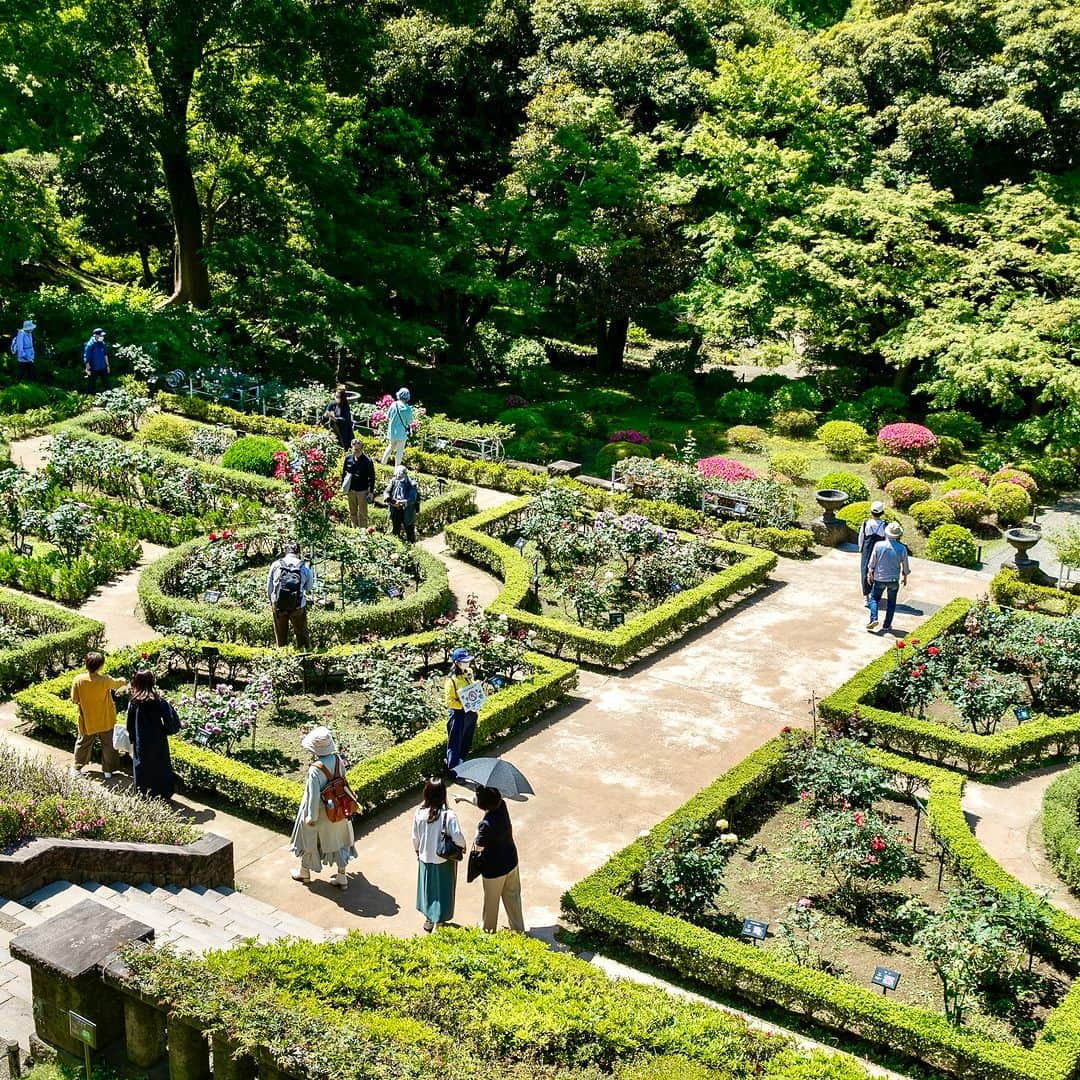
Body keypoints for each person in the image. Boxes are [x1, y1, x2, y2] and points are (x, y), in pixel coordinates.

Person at [290, 726, 356, 888]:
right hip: (338, 810)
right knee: (339, 841)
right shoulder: (338, 760)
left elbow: (313, 796)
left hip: (321, 813)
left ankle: (304, 872)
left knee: (309, 841)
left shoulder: (315, 770)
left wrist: (311, 817)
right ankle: (342, 876)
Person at [412, 777, 467, 931]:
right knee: (443, 891)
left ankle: (429, 919)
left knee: (428, 890)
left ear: (426, 794)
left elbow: (415, 837)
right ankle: (440, 921)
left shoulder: (419, 813)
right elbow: (457, 836)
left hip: (425, 858)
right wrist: (463, 846)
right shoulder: (449, 815)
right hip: (444, 859)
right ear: (443, 794)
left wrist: (418, 851)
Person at [473, 785, 525, 933]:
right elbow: (488, 803)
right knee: (513, 898)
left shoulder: (485, 825)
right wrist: (465, 799)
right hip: (511, 861)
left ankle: (488, 932)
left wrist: (478, 831)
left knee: (491, 903)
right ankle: (518, 930)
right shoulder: (502, 805)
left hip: (494, 870)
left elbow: (478, 847)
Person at [69, 651, 127, 778]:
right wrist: (123, 680)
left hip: (87, 719)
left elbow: (74, 699)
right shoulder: (105, 680)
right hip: (105, 718)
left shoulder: (78, 680)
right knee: (109, 744)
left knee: (83, 743)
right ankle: (108, 771)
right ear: (100, 666)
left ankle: (77, 768)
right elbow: (118, 684)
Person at [125, 669, 179, 799]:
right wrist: (166, 731)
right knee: (160, 766)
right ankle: (163, 793)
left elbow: (130, 724)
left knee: (142, 766)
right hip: (157, 739)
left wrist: (133, 738)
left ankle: (142, 793)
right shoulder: (159, 701)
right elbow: (170, 720)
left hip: (141, 741)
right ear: (152, 682)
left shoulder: (134, 702)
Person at [266, 541, 314, 648]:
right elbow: (309, 587)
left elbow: (269, 588)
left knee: (281, 635)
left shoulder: (276, 565)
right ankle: (305, 657)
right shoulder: (304, 567)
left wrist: (273, 602)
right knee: (302, 634)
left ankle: (282, 657)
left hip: (278, 606)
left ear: (285, 552)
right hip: (298, 606)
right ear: (298, 552)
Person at [867, 521, 911, 633]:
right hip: (893, 579)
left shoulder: (878, 545)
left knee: (874, 599)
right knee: (891, 603)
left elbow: (872, 562)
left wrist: (870, 572)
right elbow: (905, 565)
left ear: (886, 533)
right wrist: (905, 576)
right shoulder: (902, 548)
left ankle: (874, 618)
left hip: (879, 577)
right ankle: (887, 625)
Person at [445, 648, 478, 774]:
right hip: (458, 714)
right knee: (455, 744)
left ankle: (462, 762)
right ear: (457, 663)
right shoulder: (451, 680)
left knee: (466, 740)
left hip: (471, 712)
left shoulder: (469, 672)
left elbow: (472, 688)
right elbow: (449, 702)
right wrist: (463, 705)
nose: (467, 664)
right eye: (464, 662)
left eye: (468, 661)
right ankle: (453, 771)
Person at [857, 501, 888, 605]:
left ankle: (866, 597)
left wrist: (860, 549)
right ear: (882, 512)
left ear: (871, 512)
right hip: (879, 552)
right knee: (878, 572)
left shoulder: (865, 523)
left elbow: (861, 537)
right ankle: (874, 596)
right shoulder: (884, 525)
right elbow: (887, 540)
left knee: (865, 571)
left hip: (867, 550)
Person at [341, 438, 375, 528]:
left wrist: (371, 492)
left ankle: (363, 532)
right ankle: (354, 530)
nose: (356, 451)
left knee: (363, 514)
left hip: (362, 491)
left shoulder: (368, 461)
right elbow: (344, 473)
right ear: (351, 448)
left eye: (358, 449)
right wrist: (343, 487)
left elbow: (372, 477)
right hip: (351, 490)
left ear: (362, 449)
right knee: (352, 512)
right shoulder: (348, 459)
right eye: (354, 449)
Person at [384, 464, 420, 543]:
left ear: (405, 475)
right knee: (395, 530)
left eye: (400, 477)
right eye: (397, 477)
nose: (399, 479)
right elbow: (387, 491)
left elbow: (412, 499)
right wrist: (388, 499)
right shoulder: (394, 480)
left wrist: (400, 502)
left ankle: (412, 547)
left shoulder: (412, 484)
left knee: (409, 531)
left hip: (406, 511)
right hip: (395, 509)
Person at [380, 387, 413, 466]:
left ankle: (383, 462)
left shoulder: (393, 404)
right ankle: (397, 467)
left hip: (392, 431)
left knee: (390, 446)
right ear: (407, 397)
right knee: (400, 450)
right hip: (402, 432)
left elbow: (388, 417)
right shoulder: (407, 409)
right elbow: (409, 422)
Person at [323, 385, 355, 450]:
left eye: (338, 397)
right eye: (336, 396)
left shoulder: (345, 406)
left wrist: (335, 419)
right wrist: (325, 416)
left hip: (344, 430)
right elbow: (325, 414)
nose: (336, 398)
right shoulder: (332, 403)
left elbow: (345, 419)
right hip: (333, 428)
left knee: (344, 446)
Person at [83, 328, 110, 392]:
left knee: (107, 385)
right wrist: (88, 369)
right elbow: (86, 358)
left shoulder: (102, 343)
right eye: (101, 335)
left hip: (103, 367)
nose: (102, 337)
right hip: (93, 369)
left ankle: (109, 397)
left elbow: (105, 355)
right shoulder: (90, 345)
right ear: (95, 336)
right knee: (91, 386)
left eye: (102, 336)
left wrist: (108, 366)